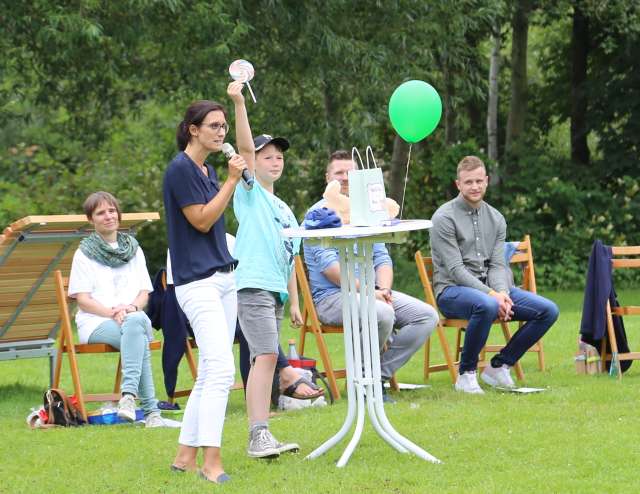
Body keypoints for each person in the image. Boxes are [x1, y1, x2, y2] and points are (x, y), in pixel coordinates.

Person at [163, 82, 252, 484]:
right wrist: (230, 184)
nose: (221, 132)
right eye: (214, 126)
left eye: (223, 126)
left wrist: (237, 102)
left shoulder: (208, 168)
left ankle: (185, 453)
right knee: (219, 370)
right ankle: (210, 462)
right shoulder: (180, 170)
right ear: (193, 129)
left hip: (223, 278)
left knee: (210, 372)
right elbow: (201, 219)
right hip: (196, 283)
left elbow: (247, 155)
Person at [304, 150, 439, 400]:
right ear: (327, 178)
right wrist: (371, 293)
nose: (345, 178)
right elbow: (331, 270)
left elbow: (382, 259)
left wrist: (383, 290)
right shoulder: (317, 215)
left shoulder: (367, 211)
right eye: (339, 173)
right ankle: (365, 385)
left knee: (426, 316)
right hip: (332, 297)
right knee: (383, 313)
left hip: (372, 292)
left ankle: (376, 377)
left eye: (350, 173)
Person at [430, 155, 559, 394]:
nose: (475, 186)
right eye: (468, 182)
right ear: (458, 184)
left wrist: (501, 292)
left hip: (490, 292)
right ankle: (466, 375)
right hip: (452, 292)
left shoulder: (497, 218)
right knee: (486, 305)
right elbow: (456, 271)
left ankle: (499, 367)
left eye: (479, 181)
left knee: (548, 310)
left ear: (487, 181)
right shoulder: (443, 218)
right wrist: (492, 295)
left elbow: (499, 265)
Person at [234, 134, 321, 458]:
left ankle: (263, 430)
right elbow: (243, 146)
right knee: (267, 356)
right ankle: (259, 434)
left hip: (276, 291)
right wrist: (240, 101)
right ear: (253, 163)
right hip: (253, 283)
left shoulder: (284, 209)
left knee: (266, 357)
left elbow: (290, 258)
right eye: (267, 156)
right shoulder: (250, 194)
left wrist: (295, 301)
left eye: (279, 157)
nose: (275, 161)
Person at [68, 191, 165, 428]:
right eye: (101, 213)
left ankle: (129, 398)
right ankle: (150, 412)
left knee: (135, 323)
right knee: (137, 331)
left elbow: (144, 292)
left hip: (131, 318)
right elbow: (83, 300)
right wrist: (114, 312)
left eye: (112, 211)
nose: (108, 216)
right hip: (96, 322)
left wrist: (130, 307)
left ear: (118, 214)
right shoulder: (84, 254)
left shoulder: (133, 249)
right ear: (91, 219)